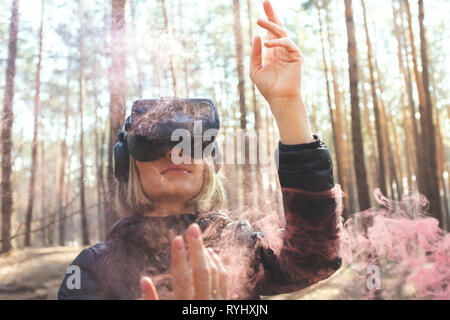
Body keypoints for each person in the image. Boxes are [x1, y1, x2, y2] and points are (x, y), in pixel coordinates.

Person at [57, 0, 341, 300]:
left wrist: (288, 104)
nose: (176, 152)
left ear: (211, 159)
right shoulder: (93, 270)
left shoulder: (241, 249)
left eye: (191, 141)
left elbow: (316, 257)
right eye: (153, 140)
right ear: (126, 162)